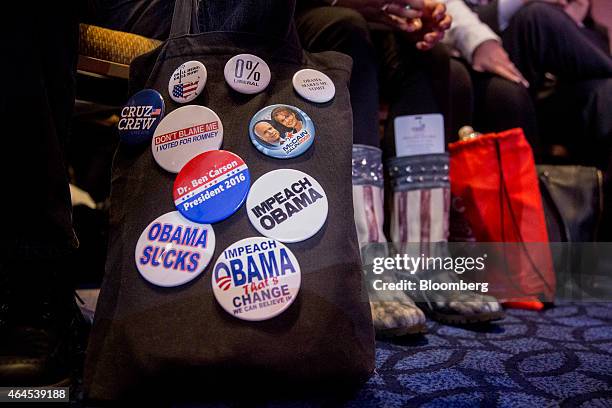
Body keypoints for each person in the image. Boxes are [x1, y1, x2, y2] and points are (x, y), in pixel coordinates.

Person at [297, 0, 504, 336]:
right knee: (346, 28)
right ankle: (367, 266)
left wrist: (428, 15)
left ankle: (423, 262)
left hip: (375, 23)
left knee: (428, 54)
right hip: (286, 20)